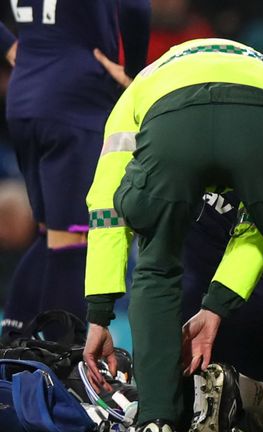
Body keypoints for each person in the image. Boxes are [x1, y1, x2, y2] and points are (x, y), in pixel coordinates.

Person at [82, 42, 263, 432]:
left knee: (156, 265)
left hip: (172, 124)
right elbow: (258, 227)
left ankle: (154, 421)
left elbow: (105, 207)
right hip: (260, 120)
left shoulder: (141, 87)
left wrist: (100, 313)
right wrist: (219, 302)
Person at [0, 0, 150, 339]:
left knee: (50, 234)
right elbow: (136, 7)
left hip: (25, 94)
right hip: (77, 96)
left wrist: (10, 47)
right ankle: (61, 359)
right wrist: (135, 72)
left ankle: (13, 347)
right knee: (75, 237)